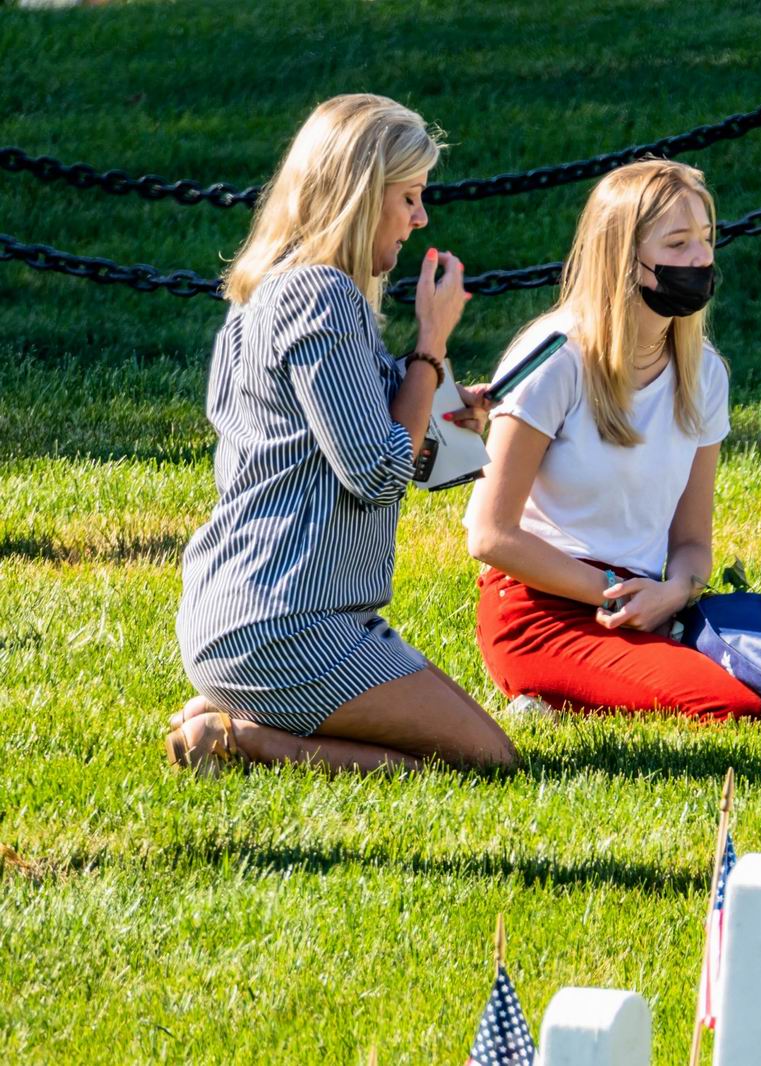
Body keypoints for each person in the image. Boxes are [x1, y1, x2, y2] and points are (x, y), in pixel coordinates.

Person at [168, 93, 516, 774]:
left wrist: (449, 407)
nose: (421, 217)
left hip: (269, 609)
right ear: (360, 195)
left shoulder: (279, 290)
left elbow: (390, 442)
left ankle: (234, 722)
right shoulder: (319, 297)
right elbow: (379, 469)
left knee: (472, 746)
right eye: (409, 196)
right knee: (483, 760)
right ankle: (241, 738)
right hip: (283, 622)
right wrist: (431, 346)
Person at [465, 159, 761, 722]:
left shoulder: (705, 374)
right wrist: (613, 591)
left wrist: (674, 592)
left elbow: (693, 541)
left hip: (643, 604)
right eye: (677, 244)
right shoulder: (555, 357)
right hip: (538, 607)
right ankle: (548, 690)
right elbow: (489, 535)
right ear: (622, 259)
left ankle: (579, 693)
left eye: (705, 240)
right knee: (728, 707)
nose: (699, 259)